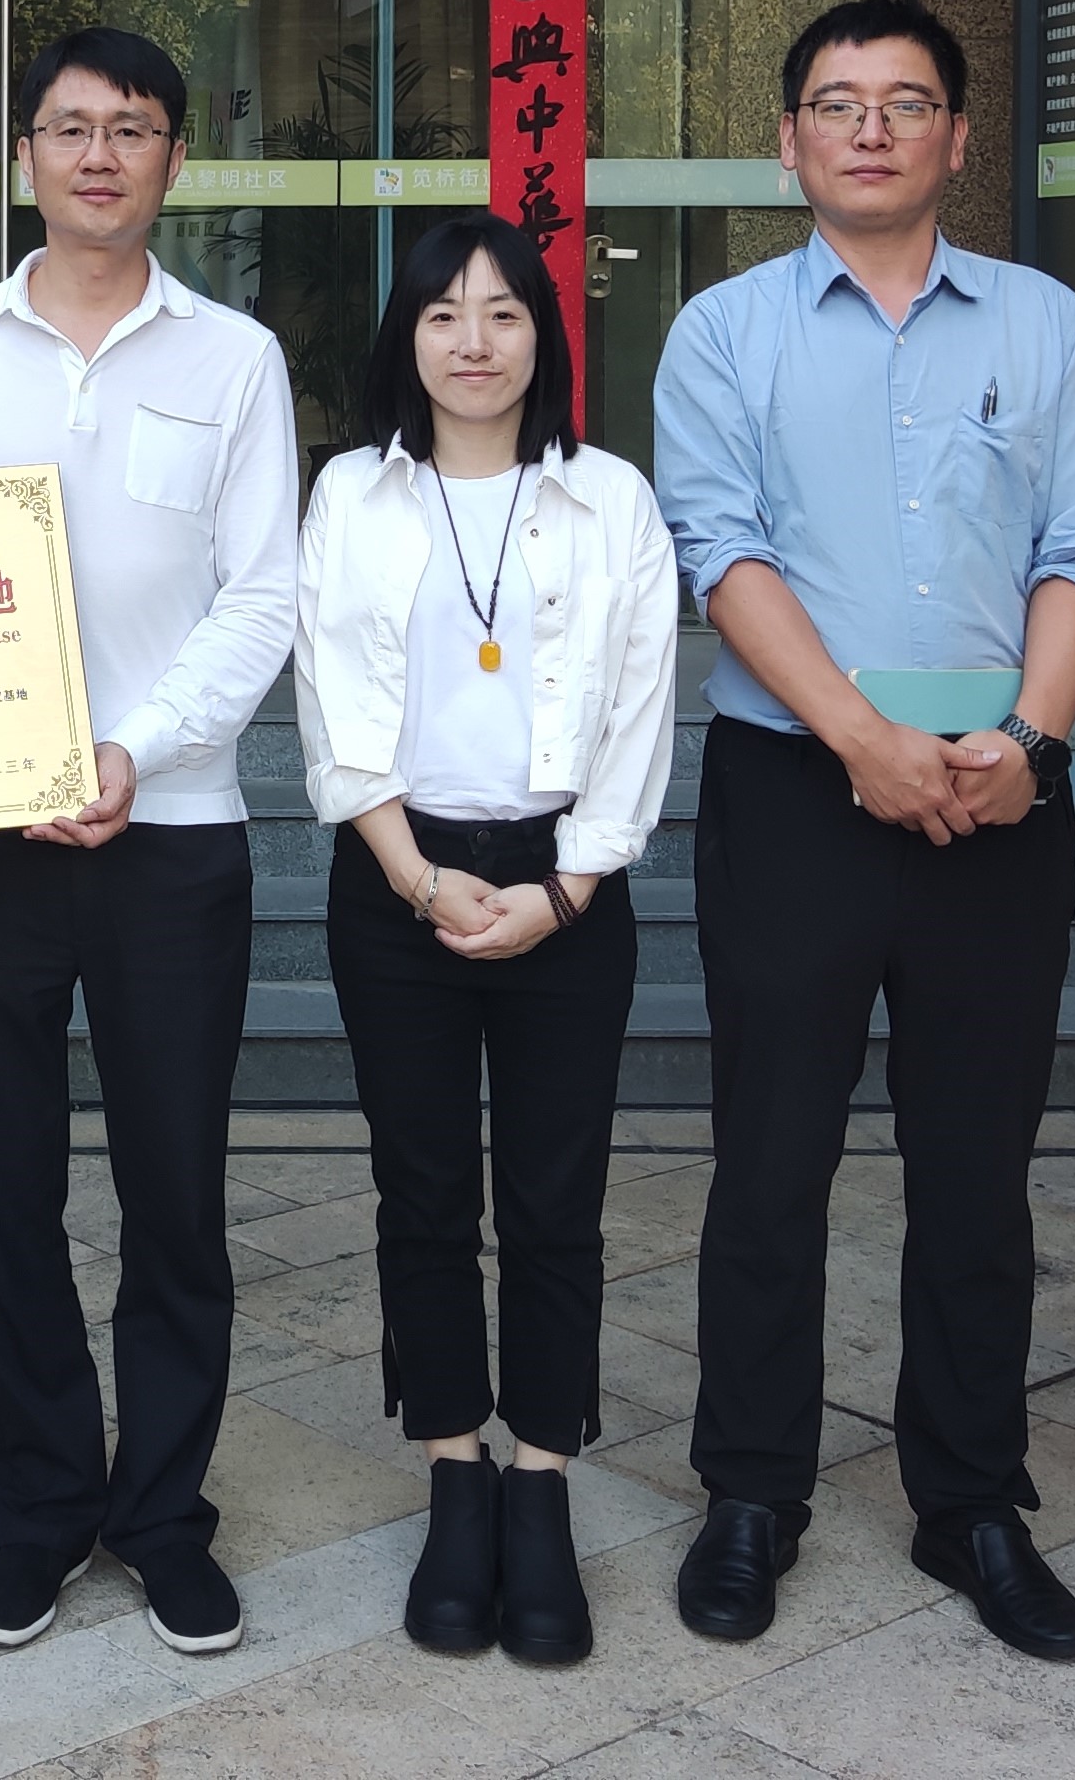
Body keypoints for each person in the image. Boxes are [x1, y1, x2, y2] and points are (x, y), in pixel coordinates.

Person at [649, 0, 1075, 1661]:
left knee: (979, 1172)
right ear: (789, 140)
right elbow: (719, 549)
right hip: (799, 791)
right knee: (769, 1165)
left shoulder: (1047, 325)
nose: (870, 129)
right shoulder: (724, 331)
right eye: (838, 104)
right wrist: (863, 742)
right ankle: (751, 1491)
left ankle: (972, 1500)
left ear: (958, 138)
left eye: (906, 102)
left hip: (999, 790)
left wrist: (1029, 741)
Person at [0, 27, 299, 1660]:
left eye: (132, 128)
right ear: (24, 156)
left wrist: (135, 748)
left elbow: (265, 594)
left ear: (177, 158)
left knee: (177, 1192)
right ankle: (42, 1512)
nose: (99, 155)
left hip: (172, 835)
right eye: (68, 127)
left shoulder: (236, 359)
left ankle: (164, 1517)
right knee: (7, 1190)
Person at [295, 215, 678, 1667]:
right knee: (422, 1191)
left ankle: (542, 1479)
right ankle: (455, 1469)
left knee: (556, 1199)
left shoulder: (609, 499)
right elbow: (330, 703)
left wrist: (564, 892)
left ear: (544, 334)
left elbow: (641, 710)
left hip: (565, 883)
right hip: (398, 874)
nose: (473, 341)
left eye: (504, 313)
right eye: (444, 313)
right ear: (407, 335)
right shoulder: (352, 492)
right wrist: (417, 879)